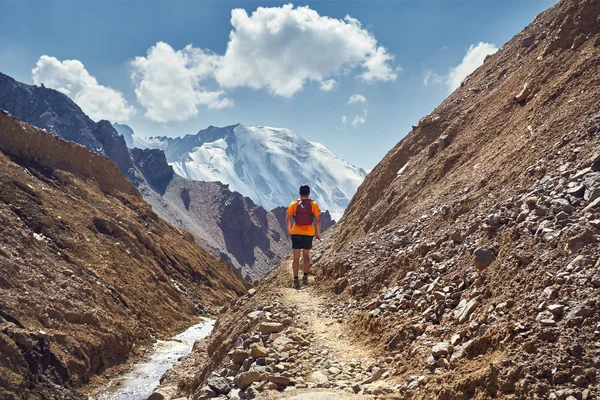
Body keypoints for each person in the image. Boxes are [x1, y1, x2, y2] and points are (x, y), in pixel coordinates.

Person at [286, 185, 321, 289]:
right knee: (306, 255)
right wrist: (318, 233)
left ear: (299, 193)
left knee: (296, 257)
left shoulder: (294, 204)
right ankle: (305, 278)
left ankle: (295, 280)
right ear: (309, 193)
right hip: (309, 233)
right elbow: (318, 220)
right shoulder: (313, 204)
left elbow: (288, 219)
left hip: (296, 233)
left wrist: (289, 231)